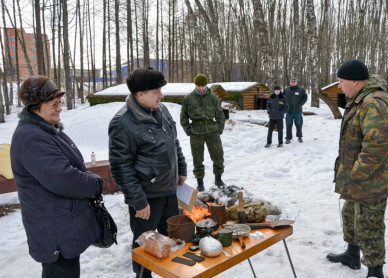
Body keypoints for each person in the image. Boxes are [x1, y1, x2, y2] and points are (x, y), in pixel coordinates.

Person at [10, 76, 103, 278]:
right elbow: (65, 179)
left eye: (59, 102)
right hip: (54, 230)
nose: (59, 108)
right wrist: (95, 183)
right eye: (53, 104)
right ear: (35, 106)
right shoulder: (32, 137)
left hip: (61, 224)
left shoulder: (46, 129)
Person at [326, 60, 388, 278]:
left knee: (369, 225)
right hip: (358, 177)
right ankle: (352, 255)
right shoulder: (359, 99)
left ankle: (375, 271)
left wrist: (356, 174)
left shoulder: (373, 103)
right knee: (350, 214)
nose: (339, 86)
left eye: (341, 82)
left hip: (372, 179)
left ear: (355, 81)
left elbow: (376, 146)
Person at [108, 67, 187, 278]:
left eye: (161, 90)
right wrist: (138, 201)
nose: (161, 95)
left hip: (169, 191)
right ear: (139, 94)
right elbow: (120, 167)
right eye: (156, 92)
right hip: (147, 199)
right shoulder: (122, 123)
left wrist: (181, 168)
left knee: (173, 241)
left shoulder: (162, 109)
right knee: (146, 246)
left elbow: (174, 142)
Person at [180, 74, 226, 192]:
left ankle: (218, 179)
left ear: (206, 85)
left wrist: (219, 129)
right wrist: (188, 130)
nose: (200, 88)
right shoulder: (188, 98)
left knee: (218, 155)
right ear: (196, 85)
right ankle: (200, 182)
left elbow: (220, 115)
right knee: (197, 158)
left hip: (212, 131)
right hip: (196, 131)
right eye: (198, 86)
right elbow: (183, 117)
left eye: (203, 85)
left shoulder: (213, 98)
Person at [283, 77, 308, 144]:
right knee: (288, 125)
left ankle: (299, 137)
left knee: (299, 125)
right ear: (290, 82)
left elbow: (305, 97)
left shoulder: (301, 90)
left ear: (296, 82)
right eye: (292, 81)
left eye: (294, 81)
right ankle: (288, 138)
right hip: (289, 111)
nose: (293, 82)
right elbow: (282, 98)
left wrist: (300, 104)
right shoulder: (286, 90)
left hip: (298, 111)